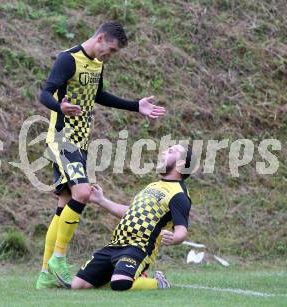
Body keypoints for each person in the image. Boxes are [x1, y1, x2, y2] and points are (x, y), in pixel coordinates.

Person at [36, 21, 166, 289]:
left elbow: (99, 95)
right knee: (82, 193)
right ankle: (59, 259)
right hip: (62, 140)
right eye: (111, 49)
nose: (111, 55)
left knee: (64, 205)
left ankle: (45, 275)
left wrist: (135, 106)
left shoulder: (97, 64)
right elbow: (45, 93)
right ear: (101, 38)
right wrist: (60, 106)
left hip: (80, 143)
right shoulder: (67, 59)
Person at [64, 144, 193, 290]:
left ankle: (158, 283)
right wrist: (102, 200)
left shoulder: (179, 195)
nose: (164, 152)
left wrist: (175, 238)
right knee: (77, 285)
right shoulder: (152, 186)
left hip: (139, 247)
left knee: (120, 284)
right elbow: (131, 212)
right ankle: (123, 274)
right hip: (115, 244)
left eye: (171, 151)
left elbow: (182, 230)